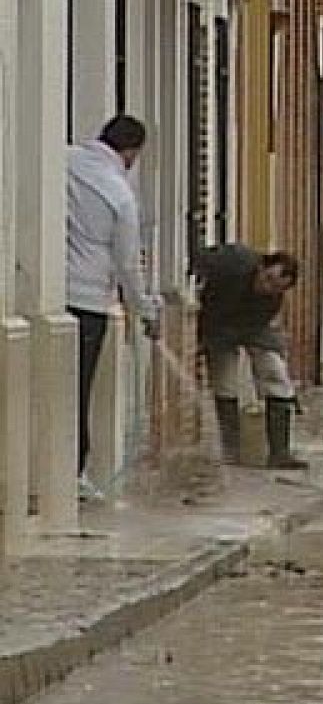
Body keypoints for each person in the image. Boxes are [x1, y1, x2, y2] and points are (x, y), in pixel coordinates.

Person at [66, 115, 162, 500]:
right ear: (132, 153)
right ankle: (73, 473)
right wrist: (146, 310)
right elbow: (127, 264)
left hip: (48, 289)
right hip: (89, 300)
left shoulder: (63, 161)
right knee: (80, 390)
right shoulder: (119, 194)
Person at [194, 245, 304, 469]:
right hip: (217, 324)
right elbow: (198, 264)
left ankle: (280, 452)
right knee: (224, 381)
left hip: (251, 325)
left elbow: (263, 334)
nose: (268, 287)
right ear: (262, 266)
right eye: (268, 279)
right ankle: (230, 450)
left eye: (277, 287)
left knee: (275, 372)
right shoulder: (232, 263)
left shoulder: (272, 301)